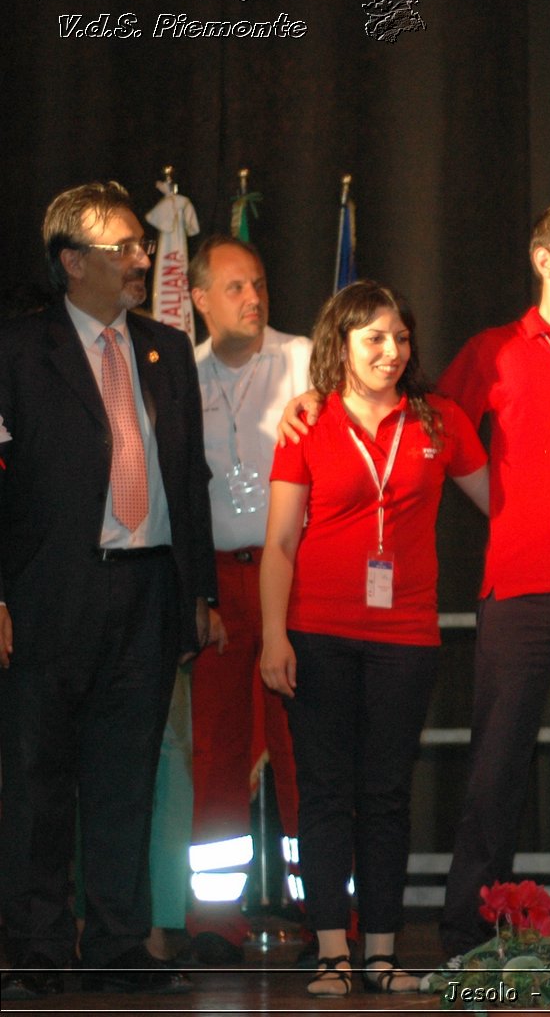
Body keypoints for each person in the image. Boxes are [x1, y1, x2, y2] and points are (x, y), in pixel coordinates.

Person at [280, 203, 550, 988]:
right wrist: (313, 401)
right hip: (519, 589)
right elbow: (414, 410)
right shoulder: (496, 353)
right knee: (494, 768)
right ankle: (469, 938)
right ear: (545, 259)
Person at [1, 181, 215, 999]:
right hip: (49, 598)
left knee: (129, 778)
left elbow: (187, 484)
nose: (139, 260)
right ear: (69, 262)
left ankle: (122, 944)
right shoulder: (18, 351)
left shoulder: (164, 351)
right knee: (39, 780)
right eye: (120, 248)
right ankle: (39, 952)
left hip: (148, 595)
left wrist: (200, 594)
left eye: (139, 245)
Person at [259, 280, 489, 996]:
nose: (393, 352)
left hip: (407, 638)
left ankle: (383, 955)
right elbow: (278, 547)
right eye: (375, 339)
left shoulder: (439, 419)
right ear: (343, 346)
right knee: (326, 795)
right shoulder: (307, 423)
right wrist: (274, 636)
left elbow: (503, 504)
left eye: (401, 338)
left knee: (388, 796)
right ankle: (333, 952)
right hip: (317, 633)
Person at [185, 235, 312, 962]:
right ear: (199, 299)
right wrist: (194, 592)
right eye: (234, 288)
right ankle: (212, 923)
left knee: (304, 750)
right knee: (217, 754)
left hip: (293, 574)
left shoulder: (301, 359)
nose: (254, 299)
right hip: (216, 584)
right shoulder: (178, 375)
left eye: (259, 284)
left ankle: (329, 915)